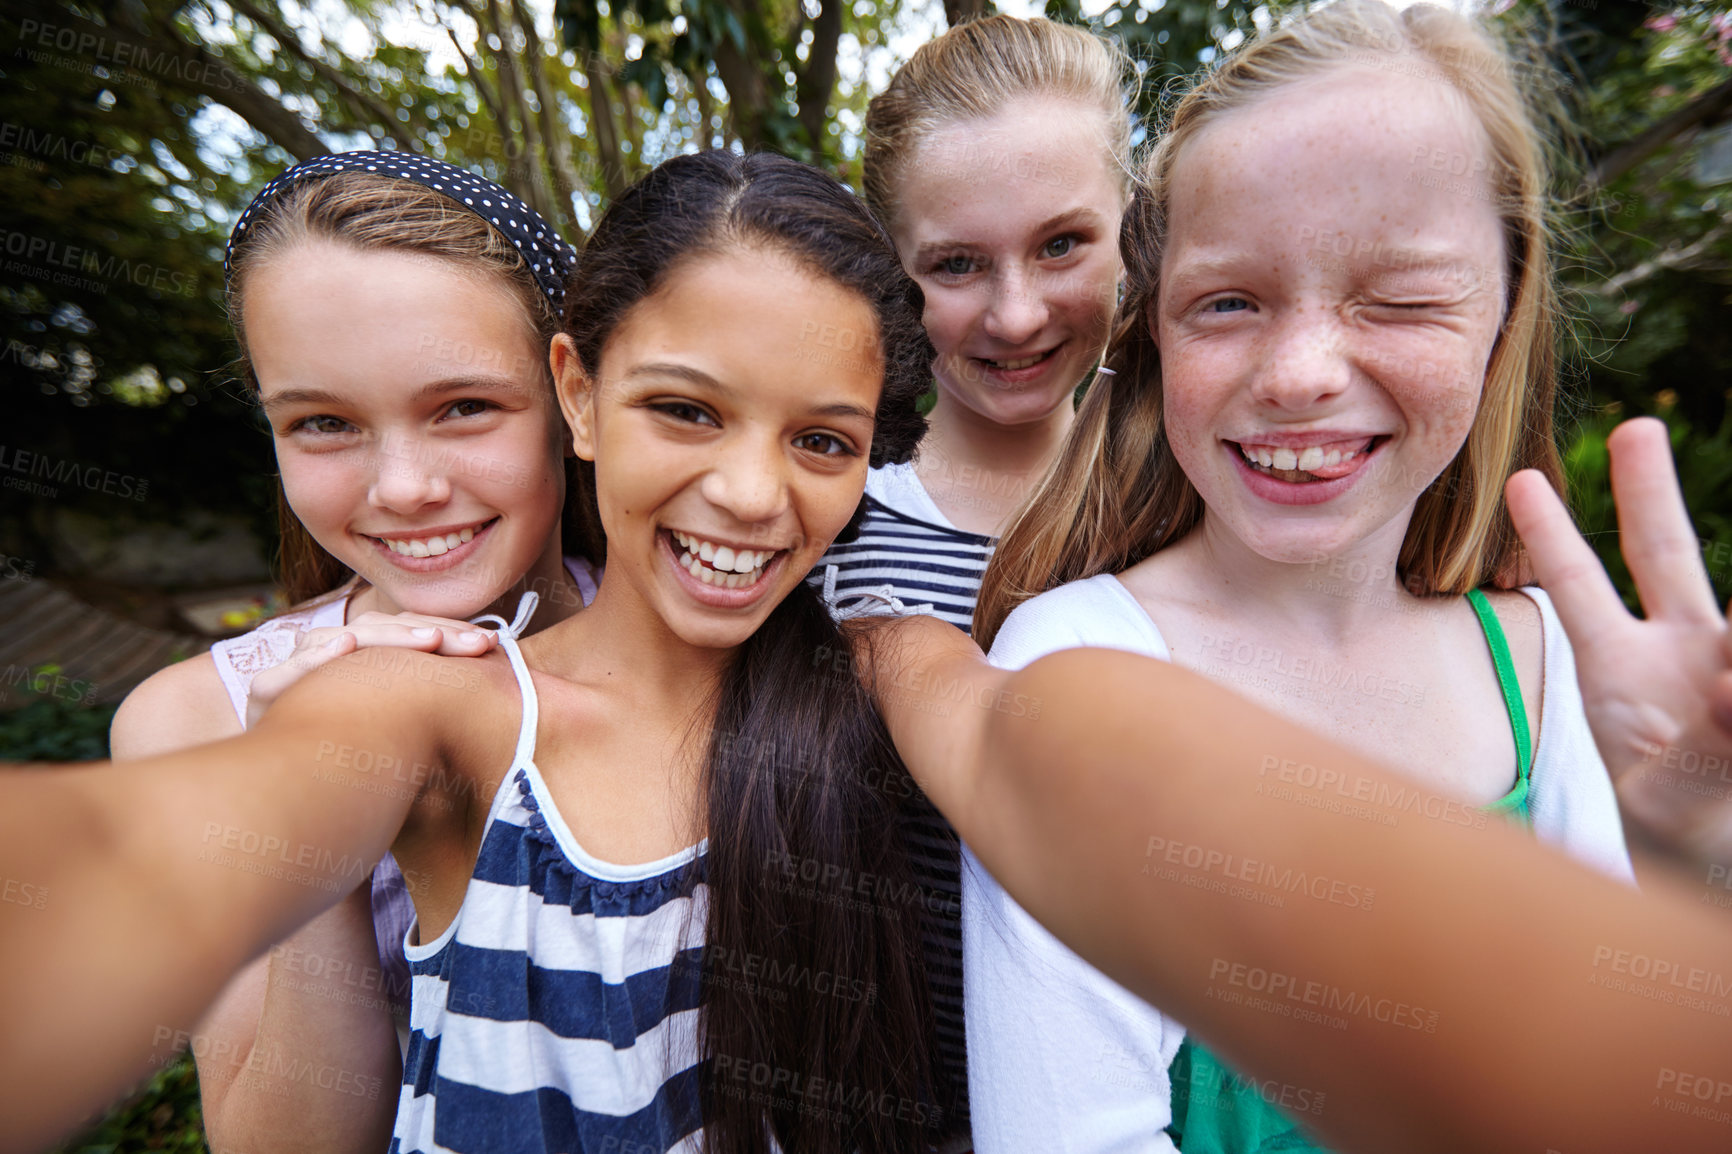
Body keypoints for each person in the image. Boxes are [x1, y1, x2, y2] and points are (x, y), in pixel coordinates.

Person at [11, 415, 1731, 1154]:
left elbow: (1044, 750)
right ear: (578, 393)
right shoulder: (438, 702)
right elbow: (174, 851)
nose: (754, 494)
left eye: (822, 440)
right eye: (689, 409)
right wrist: (179, 744)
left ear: (871, 458)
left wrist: (1671, 872)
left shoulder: (907, 667)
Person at [965, 2, 1630, 1149]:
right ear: (1159, 327)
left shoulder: (1541, 654)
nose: (1301, 372)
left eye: (1402, 297)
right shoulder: (1081, 665)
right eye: (1228, 301)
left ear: (1505, 315)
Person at [107, 152, 602, 1152]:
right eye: (325, 423)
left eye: (462, 406)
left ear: (569, 393)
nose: (405, 486)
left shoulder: (691, 637)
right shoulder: (193, 724)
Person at [819, 19, 1134, 1138]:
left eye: (1062, 244)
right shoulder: (826, 531)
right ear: (895, 274)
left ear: (1131, 234)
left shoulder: (1200, 511)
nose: (1014, 313)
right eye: (957, 264)